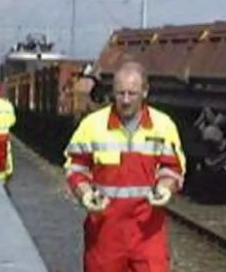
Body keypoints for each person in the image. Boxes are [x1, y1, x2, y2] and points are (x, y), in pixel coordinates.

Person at [64, 61, 185, 272]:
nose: (126, 100)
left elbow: (172, 168)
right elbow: (76, 167)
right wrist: (84, 193)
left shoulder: (163, 126)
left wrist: (165, 187)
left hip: (147, 232)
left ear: (145, 92)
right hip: (105, 233)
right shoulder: (92, 126)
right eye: (120, 93)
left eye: (132, 93)